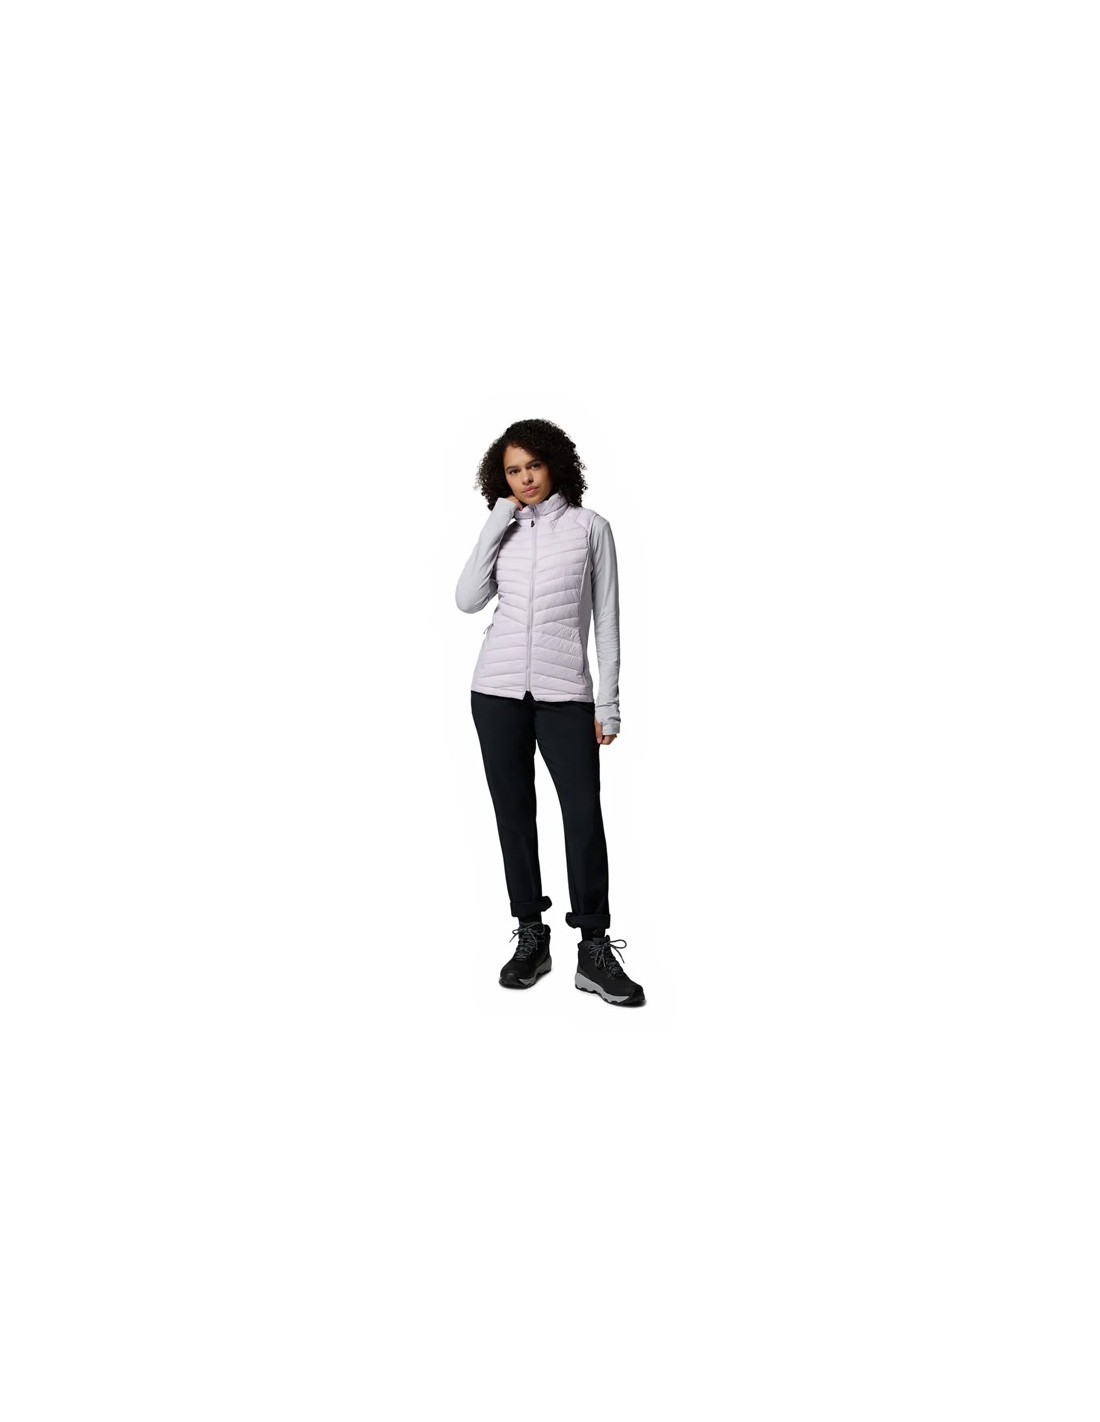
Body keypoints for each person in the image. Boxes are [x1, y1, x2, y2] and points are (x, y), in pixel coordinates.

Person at [455, 418, 645, 1007]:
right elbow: (467, 599)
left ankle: (593, 947)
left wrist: (608, 704)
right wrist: (498, 518)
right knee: (514, 815)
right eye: (513, 471)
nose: (526, 478)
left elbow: (607, 620)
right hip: (496, 693)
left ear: (555, 464)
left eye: (533, 465)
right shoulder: (505, 527)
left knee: (583, 816)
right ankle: (531, 936)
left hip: (567, 696)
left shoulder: (591, 528)